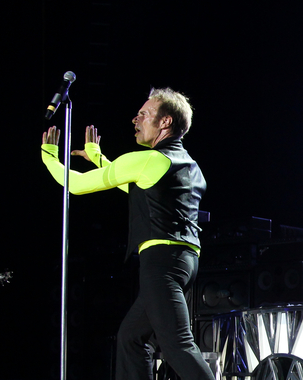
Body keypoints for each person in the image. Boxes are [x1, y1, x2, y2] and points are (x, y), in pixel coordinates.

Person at [41, 88, 214, 380]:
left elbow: (77, 185)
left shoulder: (147, 159)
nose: (136, 119)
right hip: (183, 261)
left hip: (161, 264)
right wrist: (98, 158)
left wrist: (49, 159)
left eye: (145, 114)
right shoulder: (187, 165)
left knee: (178, 345)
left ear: (165, 122)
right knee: (131, 339)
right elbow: (139, 191)